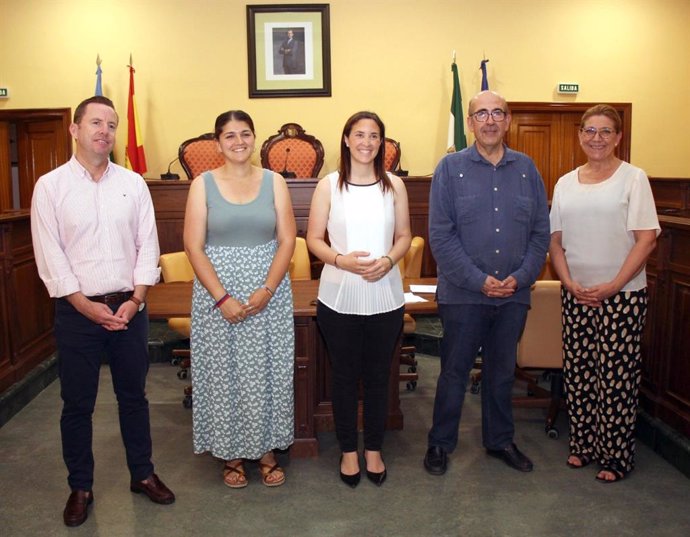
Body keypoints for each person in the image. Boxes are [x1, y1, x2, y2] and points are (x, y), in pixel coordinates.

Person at [30, 96, 175, 527]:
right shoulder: (50, 187)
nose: (105, 131)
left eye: (111, 124)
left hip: (130, 309)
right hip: (77, 314)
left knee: (134, 398)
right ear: (74, 130)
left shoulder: (132, 183)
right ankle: (81, 486)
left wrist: (136, 300)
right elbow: (50, 256)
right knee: (77, 404)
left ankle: (142, 474)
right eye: (95, 122)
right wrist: (84, 305)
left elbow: (147, 245)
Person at [424, 90, 550, 476]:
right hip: (463, 295)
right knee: (454, 373)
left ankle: (500, 441)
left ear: (508, 120)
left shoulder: (528, 169)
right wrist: (480, 281)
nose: (490, 120)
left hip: (513, 294)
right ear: (470, 122)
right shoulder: (449, 169)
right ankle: (440, 444)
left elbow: (540, 235)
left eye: (498, 113)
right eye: (482, 114)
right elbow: (441, 237)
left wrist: (520, 278)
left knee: (501, 373)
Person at [183, 110, 296, 489]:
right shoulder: (202, 184)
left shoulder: (274, 181)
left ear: (254, 138)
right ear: (218, 143)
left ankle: (266, 450)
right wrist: (221, 298)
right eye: (229, 136)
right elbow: (193, 246)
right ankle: (230, 453)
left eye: (245, 134)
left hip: (268, 292)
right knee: (223, 375)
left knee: (268, 373)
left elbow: (288, 240)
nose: (238, 142)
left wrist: (266, 289)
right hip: (218, 295)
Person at [549, 104, 659, 483]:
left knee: (616, 377)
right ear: (579, 135)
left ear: (618, 137)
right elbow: (555, 242)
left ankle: (615, 456)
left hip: (623, 295)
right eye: (590, 130)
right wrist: (568, 283)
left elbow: (646, 240)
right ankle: (583, 445)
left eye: (605, 131)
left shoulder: (633, 179)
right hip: (576, 294)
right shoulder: (565, 183)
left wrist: (613, 285)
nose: (597, 138)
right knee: (579, 373)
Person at [307, 111, 411, 488]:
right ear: (347, 139)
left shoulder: (394, 186)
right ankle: (349, 450)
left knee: (379, 376)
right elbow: (314, 239)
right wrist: (341, 260)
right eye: (359, 135)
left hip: (385, 296)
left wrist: (387, 261)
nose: (367, 142)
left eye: (374, 136)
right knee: (345, 376)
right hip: (339, 297)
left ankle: (374, 450)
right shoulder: (328, 186)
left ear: (381, 142)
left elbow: (404, 236)